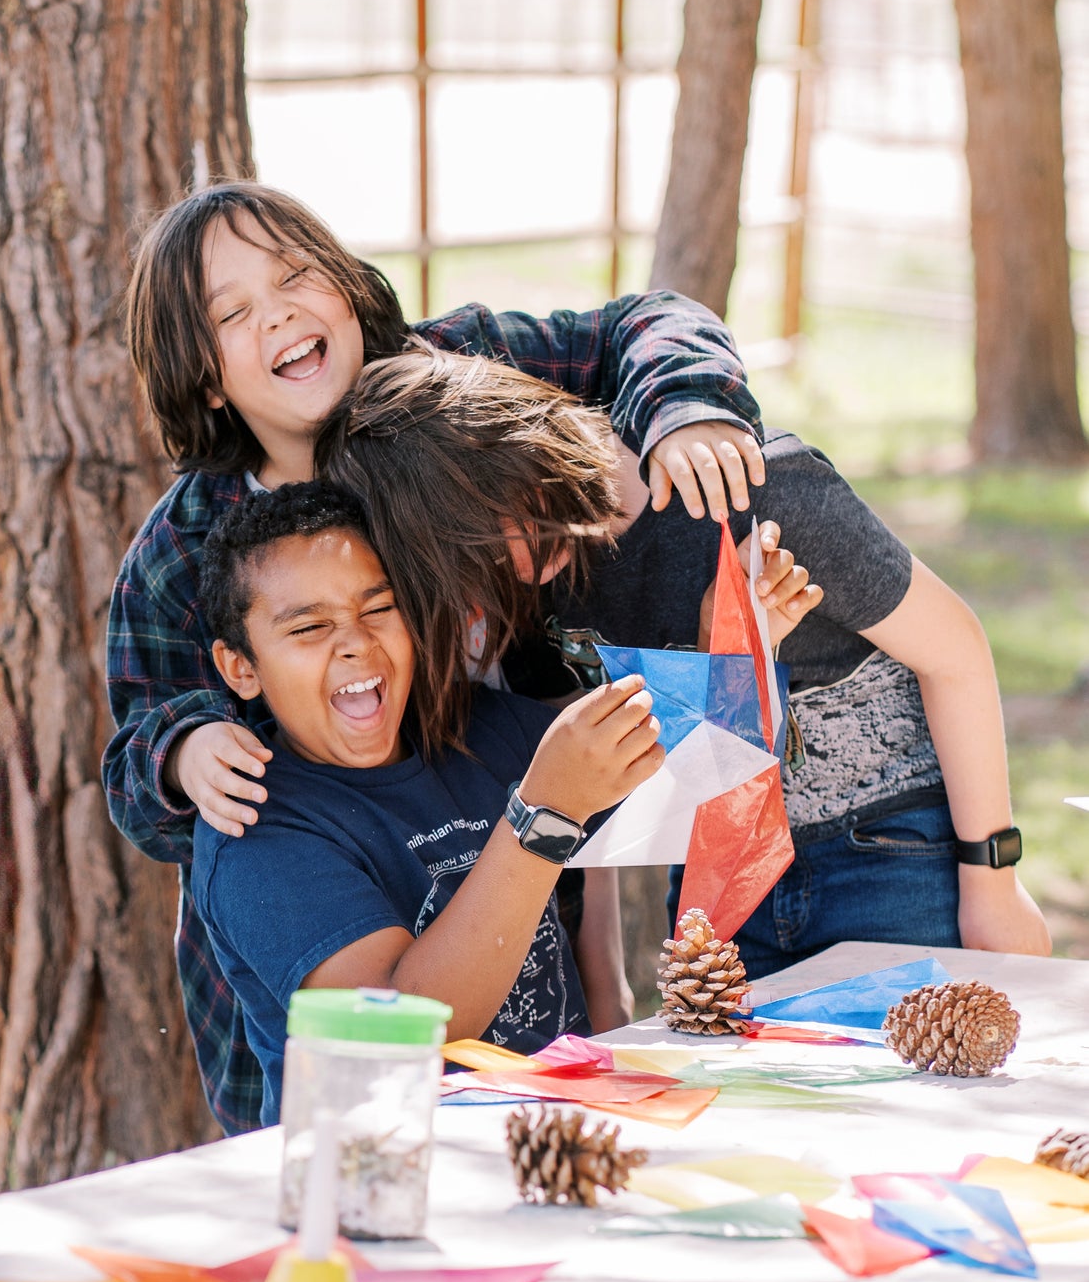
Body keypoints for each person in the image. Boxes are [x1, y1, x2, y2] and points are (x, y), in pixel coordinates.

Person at [101, 180, 770, 1133]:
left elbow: (645, 321)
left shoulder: (454, 377)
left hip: (535, 907)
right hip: (342, 985)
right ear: (205, 377)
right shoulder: (184, 552)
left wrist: (686, 406)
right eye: (234, 312)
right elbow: (135, 763)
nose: (280, 311)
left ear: (343, 283)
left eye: (296, 275)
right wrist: (181, 748)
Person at [316, 349, 1052, 978]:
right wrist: (716, 662)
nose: (507, 566)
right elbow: (608, 772)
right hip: (719, 881)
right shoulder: (532, 580)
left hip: (886, 852)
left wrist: (991, 880)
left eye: (494, 530)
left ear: (509, 445)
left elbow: (956, 651)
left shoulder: (757, 488)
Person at [191, 481, 665, 1125]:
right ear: (240, 666)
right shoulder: (254, 825)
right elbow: (408, 1024)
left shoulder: (482, 731)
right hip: (392, 1181)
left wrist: (733, 638)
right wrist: (544, 815)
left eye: (378, 608)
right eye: (308, 626)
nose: (355, 642)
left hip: (568, 1142)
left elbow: (677, 780)